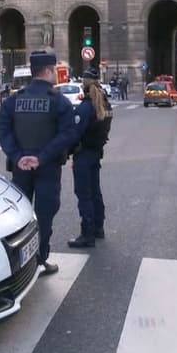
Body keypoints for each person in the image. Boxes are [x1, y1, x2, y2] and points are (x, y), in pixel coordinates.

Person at [0, 48, 78, 276]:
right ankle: (40, 259)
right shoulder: (58, 101)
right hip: (48, 168)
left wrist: (18, 157)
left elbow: (3, 131)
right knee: (45, 214)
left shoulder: (14, 100)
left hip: (20, 168)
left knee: (20, 214)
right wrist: (41, 158)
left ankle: (17, 262)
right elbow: (68, 134)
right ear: (50, 71)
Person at [67, 67, 113, 248]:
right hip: (96, 152)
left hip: (84, 154)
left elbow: (74, 134)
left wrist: (68, 152)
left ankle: (87, 234)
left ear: (84, 85)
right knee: (95, 192)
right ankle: (98, 228)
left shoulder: (86, 107)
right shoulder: (105, 104)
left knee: (84, 194)